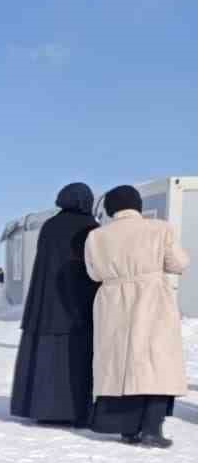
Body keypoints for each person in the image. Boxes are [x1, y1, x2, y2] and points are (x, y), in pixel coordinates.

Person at [85, 185, 191, 447]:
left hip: (112, 299)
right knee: (155, 361)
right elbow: (179, 263)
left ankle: (126, 428)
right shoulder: (160, 229)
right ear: (137, 205)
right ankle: (152, 429)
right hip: (151, 296)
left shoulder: (96, 236)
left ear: (110, 208)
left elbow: (94, 273)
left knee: (118, 363)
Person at [9, 182, 99, 425]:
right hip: (78, 302)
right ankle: (76, 410)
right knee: (77, 358)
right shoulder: (90, 227)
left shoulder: (50, 226)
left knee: (47, 358)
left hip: (45, 303)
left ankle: (43, 409)